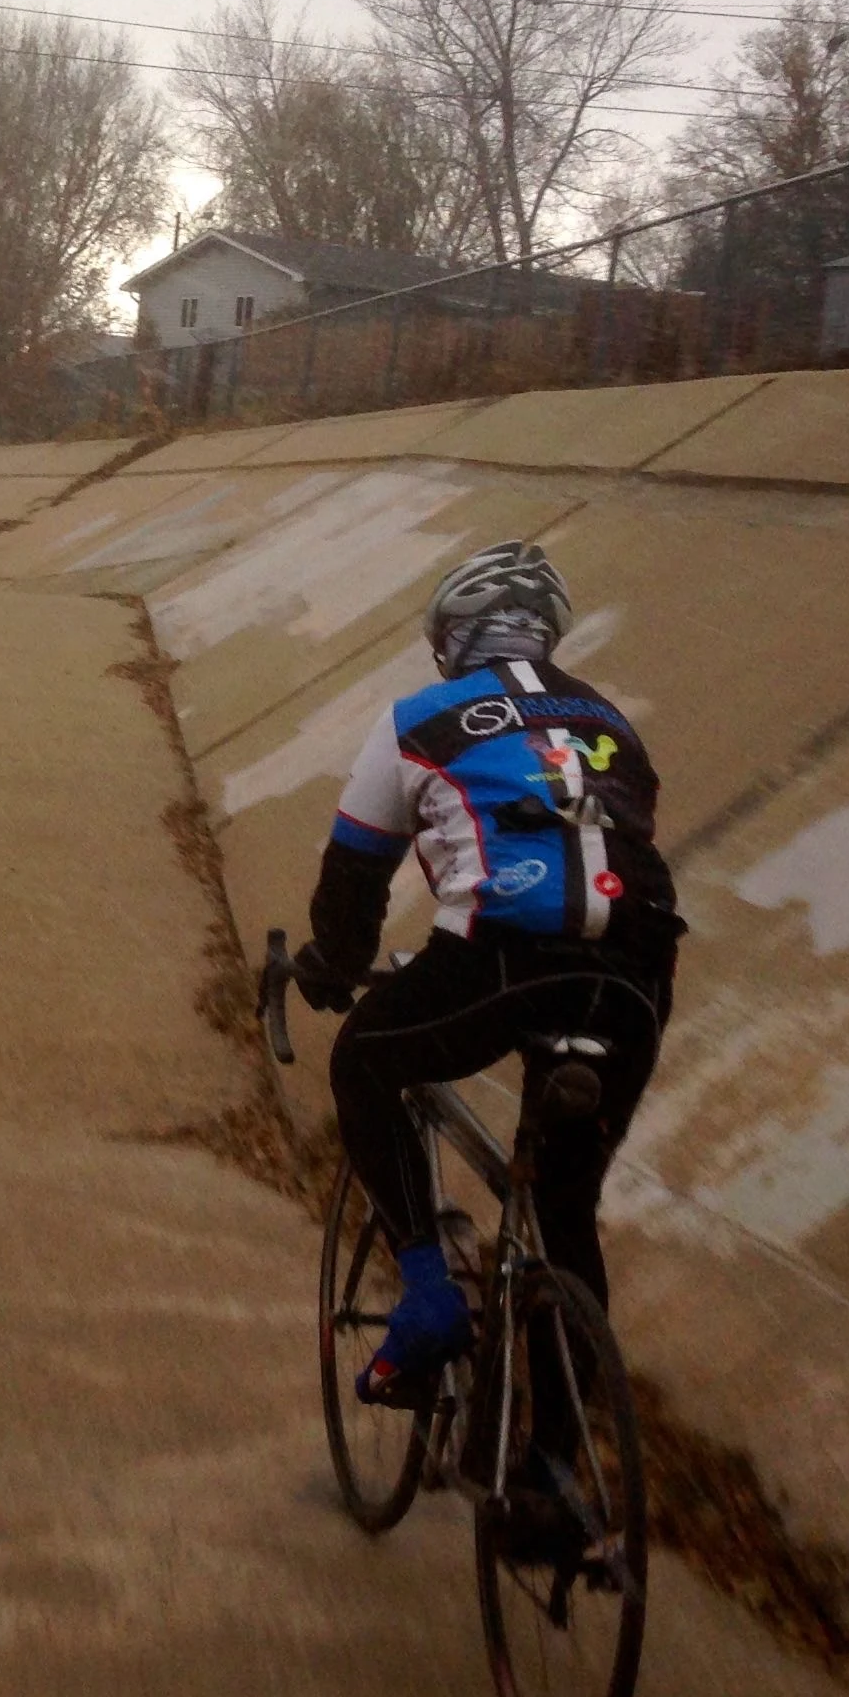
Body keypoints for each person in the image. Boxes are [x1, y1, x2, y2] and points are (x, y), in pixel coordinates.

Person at [288, 542, 684, 1411]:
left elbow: (353, 875)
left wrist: (335, 962)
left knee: (364, 1060)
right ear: (543, 635)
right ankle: (550, 1473)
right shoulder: (613, 721)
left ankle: (428, 1298)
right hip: (635, 971)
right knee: (563, 1207)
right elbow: (604, 836)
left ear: (453, 638)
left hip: (502, 953)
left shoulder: (418, 719)